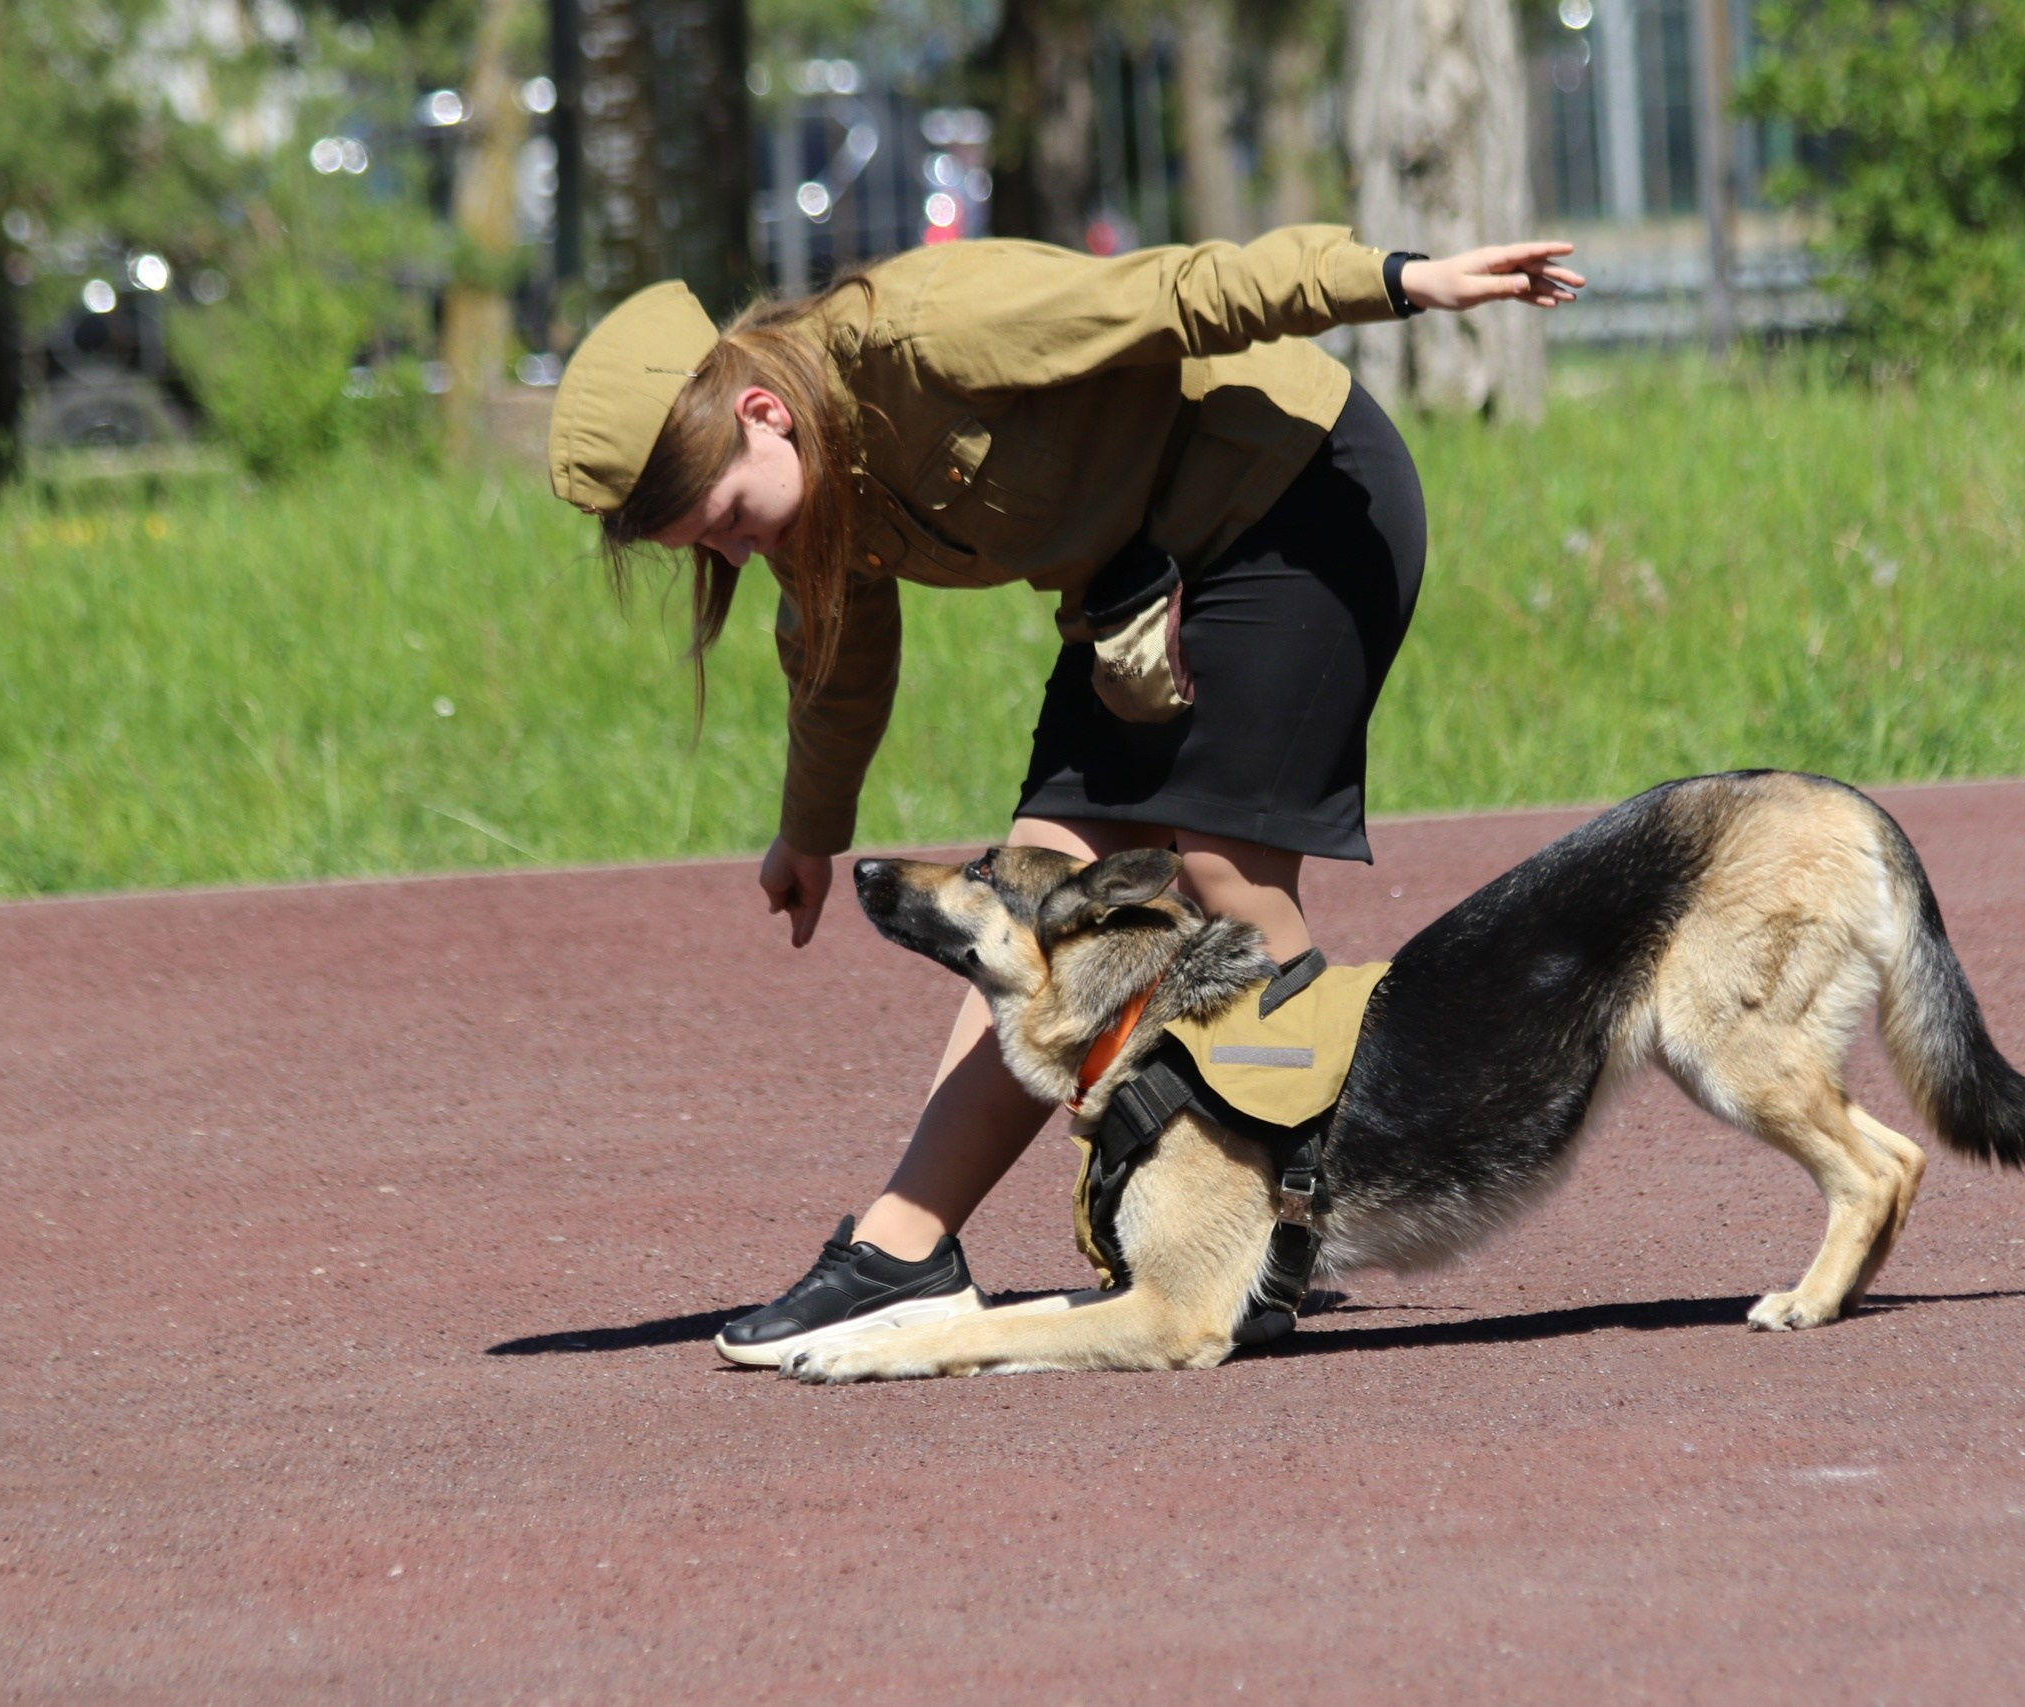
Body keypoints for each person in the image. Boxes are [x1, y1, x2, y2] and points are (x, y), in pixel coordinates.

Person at [544, 225, 1582, 1364]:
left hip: (1295, 494)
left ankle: (1290, 1211)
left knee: (1224, 868)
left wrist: (1396, 280)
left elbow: (1180, 291)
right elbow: (838, 664)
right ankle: (902, 1253)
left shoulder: (930, 329)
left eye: (732, 521)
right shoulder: (808, 473)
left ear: (759, 413)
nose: (739, 554)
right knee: (1039, 875)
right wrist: (808, 837)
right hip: (1147, 578)